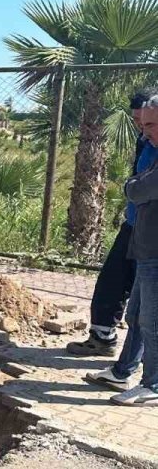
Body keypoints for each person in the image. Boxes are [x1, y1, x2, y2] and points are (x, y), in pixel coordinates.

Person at [85, 95, 158, 406]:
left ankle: (153, 384)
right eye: (141, 124)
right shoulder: (152, 149)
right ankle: (124, 370)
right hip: (145, 244)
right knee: (138, 314)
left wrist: (135, 185)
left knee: (152, 320)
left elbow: (139, 189)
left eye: (151, 124)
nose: (144, 132)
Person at [68, 92, 153, 356]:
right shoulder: (146, 140)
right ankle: (103, 337)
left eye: (147, 121)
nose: (141, 126)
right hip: (134, 222)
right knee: (113, 281)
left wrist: (134, 189)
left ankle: (136, 366)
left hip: (149, 230)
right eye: (137, 120)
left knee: (144, 300)